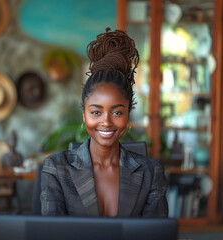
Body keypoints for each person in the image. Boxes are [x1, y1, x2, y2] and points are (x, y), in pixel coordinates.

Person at [40, 28, 168, 217]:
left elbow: (156, 234)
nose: (106, 122)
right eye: (96, 112)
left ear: (128, 116)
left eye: (117, 112)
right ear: (84, 115)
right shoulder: (57, 168)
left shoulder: (151, 172)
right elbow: (51, 233)